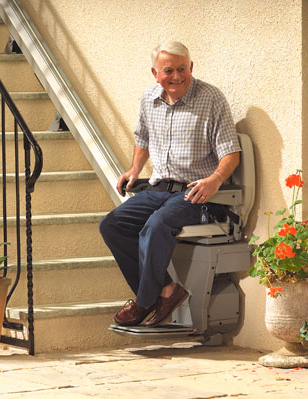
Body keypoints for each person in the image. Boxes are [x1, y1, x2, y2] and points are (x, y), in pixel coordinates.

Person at [99, 40, 241, 327]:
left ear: (191, 67)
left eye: (181, 69)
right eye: (168, 71)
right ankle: (165, 289)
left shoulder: (211, 99)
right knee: (112, 225)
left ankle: (143, 302)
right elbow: (143, 138)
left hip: (197, 193)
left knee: (156, 225)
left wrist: (215, 180)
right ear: (155, 73)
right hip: (159, 187)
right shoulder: (149, 99)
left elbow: (231, 152)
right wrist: (134, 169)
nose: (176, 76)